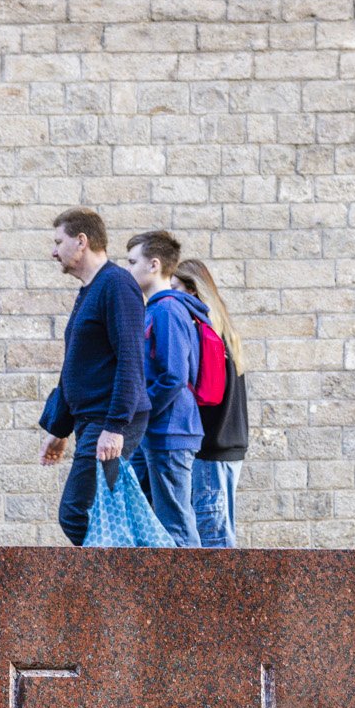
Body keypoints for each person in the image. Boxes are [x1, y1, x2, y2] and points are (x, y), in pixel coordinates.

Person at [37, 209, 150, 545]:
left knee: (76, 511)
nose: (54, 251)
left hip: (110, 422)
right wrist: (59, 429)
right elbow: (77, 366)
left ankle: (120, 584)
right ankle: (123, 583)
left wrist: (115, 427)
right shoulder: (91, 289)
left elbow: (130, 359)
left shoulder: (116, 285)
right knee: (105, 513)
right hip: (92, 421)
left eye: (59, 242)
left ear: (82, 242)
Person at [121, 230, 208, 545]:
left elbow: (174, 375)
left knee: (177, 525)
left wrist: (143, 411)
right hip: (155, 431)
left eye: (133, 262)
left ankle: (196, 591)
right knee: (148, 518)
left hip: (169, 431)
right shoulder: (155, 308)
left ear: (154, 264)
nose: (128, 269)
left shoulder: (168, 310)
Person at [176, 257, 249, 547]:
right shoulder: (223, 331)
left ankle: (226, 595)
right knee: (218, 533)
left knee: (213, 541)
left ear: (192, 291)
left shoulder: (203, 332)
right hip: (227, 446)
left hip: (210, 451)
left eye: (175, 287)